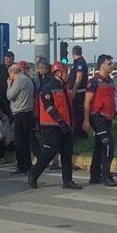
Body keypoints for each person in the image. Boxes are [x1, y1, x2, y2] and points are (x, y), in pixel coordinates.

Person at [28, 60, 82, 190]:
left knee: (67, 153)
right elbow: (49, 107)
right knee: (48, 153)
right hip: (51, 126)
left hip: (65, 126)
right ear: (58, 73)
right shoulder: (48, 87)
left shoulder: (65, 87)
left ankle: (67, 181)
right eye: (65, 72)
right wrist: (60, 121)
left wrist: (70, 124)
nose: (67, 75)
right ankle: (34, 174)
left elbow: (67, 108)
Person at [86, 55, 117, 187]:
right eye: (109, 63)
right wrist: (86, 120)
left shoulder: (109, 81)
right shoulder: (94, 81)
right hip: (97, 117)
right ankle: (106, 176)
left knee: (99, 146)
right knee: (108, 145)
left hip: (107, 118)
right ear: (102, 65)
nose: (112, 65)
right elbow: (87, 101)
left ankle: (95, 175)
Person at [7, 63, 36, 175]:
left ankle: (22, 165)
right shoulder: (28, 79)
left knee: (19, 141)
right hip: (28, 111)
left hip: (20, 112)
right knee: (26, 139)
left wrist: (9, 85)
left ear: (13, 72)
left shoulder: (19, 80)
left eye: (10, 75)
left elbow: (10, 96)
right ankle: (27, 164)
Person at [69, 45, 88, 139]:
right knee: (77, 113)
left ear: (73, 53)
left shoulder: (79, 62)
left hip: (79, 92)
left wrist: (74, 90)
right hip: (78, 91)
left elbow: (79, 77)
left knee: (78, 114)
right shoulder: (77, 62)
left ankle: (79, 134)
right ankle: (78, 133)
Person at [0, 51, 15, 120]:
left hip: (12, 93)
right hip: (2, 92)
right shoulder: (0, 68)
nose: (8, 61)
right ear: (4, 60)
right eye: (6, 59)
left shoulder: (15, 68)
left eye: (10, 59)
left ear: (13, 60)